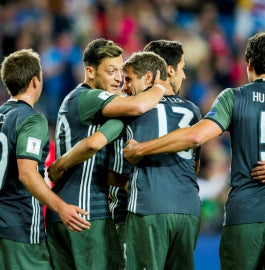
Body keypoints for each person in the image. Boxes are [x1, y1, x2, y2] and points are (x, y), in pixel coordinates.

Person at [123, 31, 265, 269]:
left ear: (249, 64)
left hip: (244, 215)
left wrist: (142, 148)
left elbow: (196, 135)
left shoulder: (234, 97)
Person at [45, 38, 171, 270]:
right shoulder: (90, 97)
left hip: (62, 212)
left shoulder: (74, 99)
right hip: (86, 213)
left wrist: (124, 182)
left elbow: (93, 168)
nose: (118, 78)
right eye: (111, 71)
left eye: (121, 71)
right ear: (90, 71)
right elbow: (137, 107)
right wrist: (161, 86)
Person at [0, 49, 90, 270]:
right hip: (20, 228)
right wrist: (61, 207)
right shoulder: (32, 120)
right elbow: (27, 173)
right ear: (34, 81)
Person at [122, 46, 202, 269]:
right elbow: (196, 165)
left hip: (149, 207)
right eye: (182, 68)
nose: (184, 75)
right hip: (188, 209)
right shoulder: (193, 110)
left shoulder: (132, 108)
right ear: (168, 70)